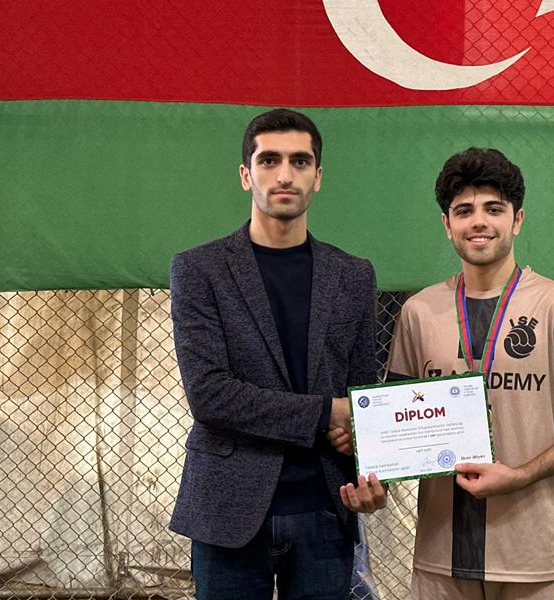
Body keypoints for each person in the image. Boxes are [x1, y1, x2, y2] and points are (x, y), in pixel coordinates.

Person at [168, 108, 385, 600]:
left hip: (325, 508)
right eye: (269, 160)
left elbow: (362, 394)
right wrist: (328, 413)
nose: (284, 175)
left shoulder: (353, 275)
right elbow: (210, 396)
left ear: (318, 177)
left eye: (299, 161)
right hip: (228, 510)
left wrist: (369, 458)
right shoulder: (199, 270)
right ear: (246, 175)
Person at [384, 148, 554, 599]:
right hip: (439, 558)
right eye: (464, 211)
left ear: (517, 220)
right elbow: (394, 433)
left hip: (535, 559)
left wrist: (520, 475)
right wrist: (374, 482)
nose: (479, 222)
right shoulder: (418, 312)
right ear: (446, 224)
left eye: (494, 209)